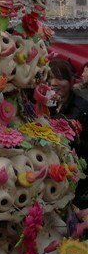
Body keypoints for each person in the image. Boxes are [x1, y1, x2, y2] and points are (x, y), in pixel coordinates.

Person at [49, 59, 88, 207]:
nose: (54, 83)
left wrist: (73, 139)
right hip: (48, 171)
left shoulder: (83, 107)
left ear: (71, 81)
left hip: (74, 176)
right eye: (50, 78)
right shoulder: (41, 104)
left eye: (60, 78)